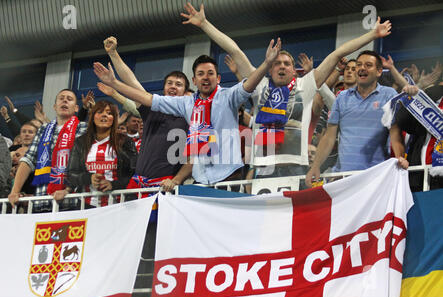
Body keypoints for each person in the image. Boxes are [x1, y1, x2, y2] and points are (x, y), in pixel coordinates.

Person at [180, 3, 393, 188]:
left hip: (297, 169)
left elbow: (337, 53)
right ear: (270, 69)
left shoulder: (306, 85)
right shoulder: (259, 85)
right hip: (262, 170)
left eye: (287, 64)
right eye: (277, 63)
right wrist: (204, 24)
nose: (281, 66)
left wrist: (373, 35)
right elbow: (235, 51)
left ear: (294, 70)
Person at [94, 36, 282, 185]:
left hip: (228, 176)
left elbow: (249, 85)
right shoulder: (186, 104)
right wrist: (114, 83)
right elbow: (146, 97)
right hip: (199, 179)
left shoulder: (228, 96)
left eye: (210, 74)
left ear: (218, 78)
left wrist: (266, 64)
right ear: (194, 80)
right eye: (200, 74)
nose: (205, 78)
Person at [305, 51, 409, 188]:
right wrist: (316, 165)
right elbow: (329, 137)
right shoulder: (341, 97)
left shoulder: (388, 94)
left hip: (375, 177)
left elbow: (395, 134)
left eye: (368, 65)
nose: (362, 68)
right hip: (343, 178)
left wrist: (400, 158)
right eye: (359, 64)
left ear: (379, 72)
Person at [102, 36, 192, 192]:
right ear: (163, 88)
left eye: (178, 85)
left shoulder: (190, 118)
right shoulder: (152, 109)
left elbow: (195, 157)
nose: (173, 87)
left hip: (165, 188)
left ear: (185, 92)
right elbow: (132, 82)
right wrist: (113, 53)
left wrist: (176, 181)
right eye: (169, 83)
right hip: (137, 186)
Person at [8, 89, 87, 212]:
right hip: (41, 201)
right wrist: (15, 191)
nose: (65, 100)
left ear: (76, 108)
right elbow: (28, 160)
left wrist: (67, 190)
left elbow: (82, 162)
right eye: (61, 98)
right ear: (55, 107)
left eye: (69, 99)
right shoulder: (43, 129)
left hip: (71, 202)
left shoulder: (83, 128)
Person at [53, 100, 137, 207]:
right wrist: (89, 178)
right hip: (86, 206)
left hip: (120, 206)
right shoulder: (80, 142)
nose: (104, 115)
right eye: (100, 112)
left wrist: (113, 184)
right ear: (92, 117)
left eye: (109, 113)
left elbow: (135, 173)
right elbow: (71, 174)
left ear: (114, 119)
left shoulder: (126, 141)